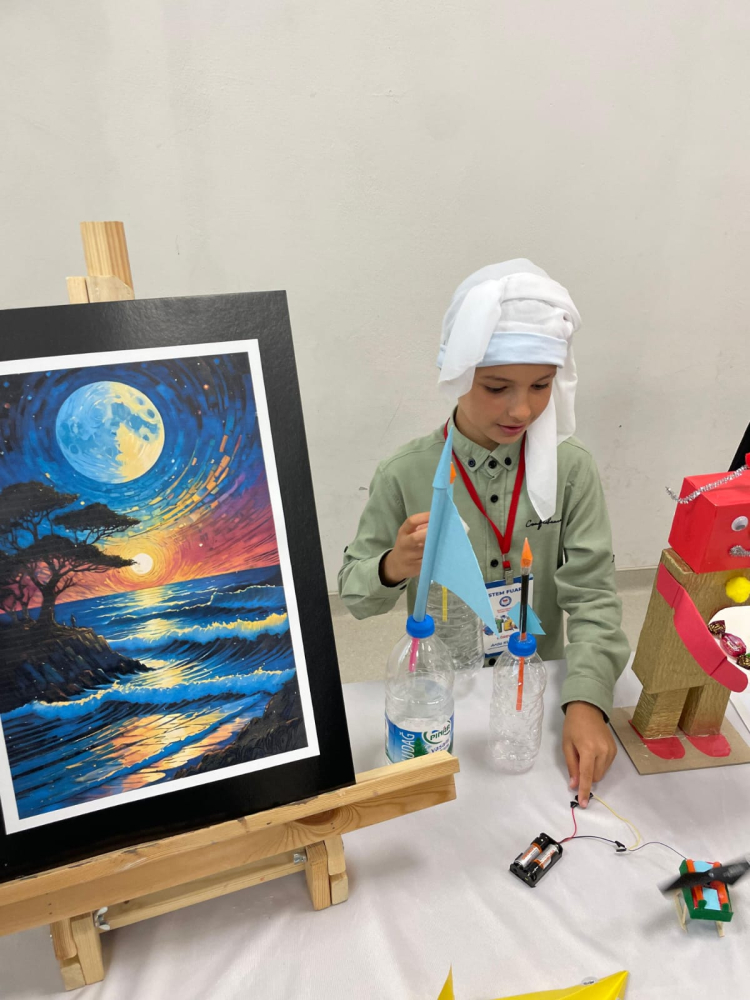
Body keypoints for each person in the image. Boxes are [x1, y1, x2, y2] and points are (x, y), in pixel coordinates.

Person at [338, 259, 630, 806]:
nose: (522, 409)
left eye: (541, 386)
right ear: (457, 372)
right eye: (497, 387)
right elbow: (354, 595)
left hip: (534, 694)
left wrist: (588, 701)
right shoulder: (406, 473)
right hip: (439, 698)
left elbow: (593, 595)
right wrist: (393, 566)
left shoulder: (571, 469)